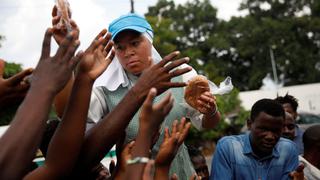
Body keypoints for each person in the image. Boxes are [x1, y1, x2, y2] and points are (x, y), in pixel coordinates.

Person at [54, 13, 221, 178]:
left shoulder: (180, 74)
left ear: (150, 40)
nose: (128, 53)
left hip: (182, 173)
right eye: (120, 47)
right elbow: (67, 114)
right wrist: (66, 51)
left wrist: (211, 111)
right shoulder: (106, 88)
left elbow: (207, 124)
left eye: (135, 43)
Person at [210, 98, 299, 180]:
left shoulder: (289, 150)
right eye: (263, 129)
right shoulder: (228, 148)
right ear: (249, 124)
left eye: (276, 130)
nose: (270, 137)